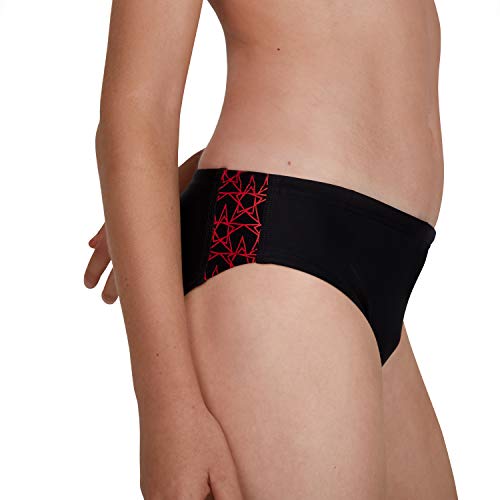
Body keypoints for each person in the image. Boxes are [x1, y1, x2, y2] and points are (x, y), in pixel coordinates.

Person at [84, 0, 458, 498]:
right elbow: (136, 113)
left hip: (368, 266)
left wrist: (173, 191)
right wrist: (166, 408)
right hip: (274, 249)